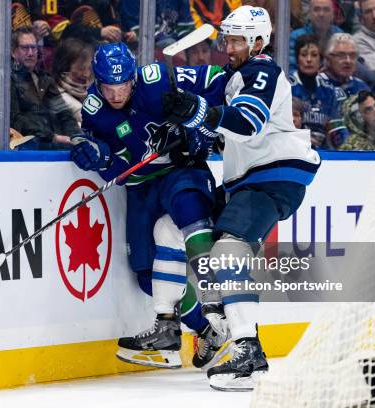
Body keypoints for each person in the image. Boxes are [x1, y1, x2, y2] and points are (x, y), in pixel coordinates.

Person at [161, 6, 321, 390]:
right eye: (227, 39)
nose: (228, 47)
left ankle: (249, 349)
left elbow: (247, 124)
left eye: (235, 40)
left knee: (227, 253)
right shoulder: (237, 76)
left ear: (258, 42)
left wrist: (198, 111)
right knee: (169, 229)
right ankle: (195, 320)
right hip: (245, 181)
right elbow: (222, 132)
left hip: (272, 177)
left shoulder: (263, 70)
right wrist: (188, 133)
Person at [70, 42, 230, 370]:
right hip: (142, 187)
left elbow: (218, 79)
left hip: (181, 169)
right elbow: (117, 171)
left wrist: (194, 122)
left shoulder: (159, 78)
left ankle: (216, 303)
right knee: (146, 274)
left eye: (123, 85)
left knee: (189, 211)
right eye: (108, 87)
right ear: (97, 83)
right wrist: (99, 156)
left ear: (134, 77)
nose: (116, 94)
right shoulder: (93, 110)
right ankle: (201, 329)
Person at [10, 28, 78, 150]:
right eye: (25, 48)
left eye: (33, 47)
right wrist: (52, 137)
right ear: (14, 52)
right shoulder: (8, 80)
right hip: (30, 148)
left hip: (58, 144)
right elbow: (15, 120)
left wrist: (76, 138)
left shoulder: (44, 79)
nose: (30, 53)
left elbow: (64, 113)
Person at [290, 35, 339, 148]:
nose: (308, 60)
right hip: (294, 149)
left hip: (324, 153)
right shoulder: (288, 86)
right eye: (303, 55)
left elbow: (334, 129)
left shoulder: (329, 90)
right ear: (297, 59)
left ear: (321, 60)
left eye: (314, 55)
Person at [289, 0, 343, 72]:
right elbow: (289, 68)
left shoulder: (339, 35)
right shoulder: (295, 36)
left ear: (333, 14)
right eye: (316, 9)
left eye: (326, 10)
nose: (321, 14)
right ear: (309, 14)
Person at [52, 38, 95, 127]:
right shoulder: (58, 97)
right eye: (81, 68)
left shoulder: (94, 92)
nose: (86, 74)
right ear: (64, 67)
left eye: (89, 68)